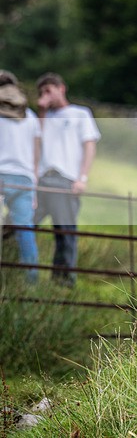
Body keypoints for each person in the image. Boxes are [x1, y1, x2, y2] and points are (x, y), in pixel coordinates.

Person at [34, 73, 101, 286]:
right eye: (42, 92)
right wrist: (42, 111)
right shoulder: (42, 118)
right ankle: (17, 270)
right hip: (42, 180)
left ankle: (63, 281)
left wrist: (82, 177)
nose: (45, 96)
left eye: (48, 90)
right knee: (22, 225)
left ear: (61, 88)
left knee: (65, 233)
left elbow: (89, 146)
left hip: (65, 180)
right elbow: (36, 141)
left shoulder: (80, 114)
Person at [0, 70, 41, 283]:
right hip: (25, 179)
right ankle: (31, 280)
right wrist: (34, 182)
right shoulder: (30, 116)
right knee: (26, 230)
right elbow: (36, 153)